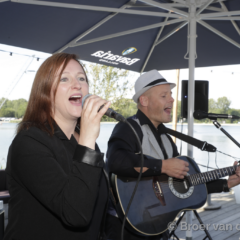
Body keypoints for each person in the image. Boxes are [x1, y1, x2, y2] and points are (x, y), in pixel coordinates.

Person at [105, 69, 240, 240]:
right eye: (164, 96)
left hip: (158, 227)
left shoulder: (167, 139)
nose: (172, 99)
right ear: (144, 100)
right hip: (127, 228)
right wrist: (163, 166)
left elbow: (185, 186)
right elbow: (116, 161)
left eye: (171, 94)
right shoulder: (129, 127)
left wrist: (227, 183)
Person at [4, 53, 111, 240]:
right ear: (45, 91)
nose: (77, 84)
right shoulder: (29, 142)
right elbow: (76, 213)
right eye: (64, 78)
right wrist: (87, 138)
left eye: (81, 78)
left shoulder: (85, 141)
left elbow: (96, 208)